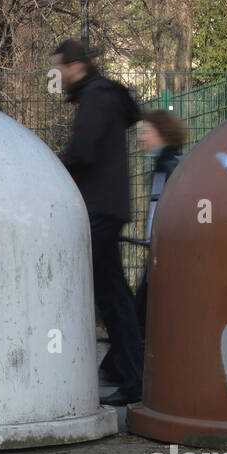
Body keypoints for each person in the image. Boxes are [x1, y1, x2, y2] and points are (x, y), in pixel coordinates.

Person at [51, 39, 144, 406]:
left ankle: (130, 376)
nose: (55, 77)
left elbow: (83, 151)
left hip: (99, 210)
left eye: (58, 69)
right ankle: (124, 371)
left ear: (75, 66)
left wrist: (49, 165)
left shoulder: (96, 97)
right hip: (106, 208)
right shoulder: (101, 96)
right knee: (113, 295)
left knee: (109, 297)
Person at [134, 109, 186, 341]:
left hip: (165, 248)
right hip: (164, 247)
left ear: (162, 133)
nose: (141, 138)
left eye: (146, 132)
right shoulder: (168, 163)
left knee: (145, 307)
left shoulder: (169, 165)